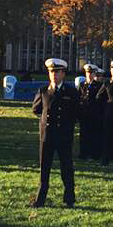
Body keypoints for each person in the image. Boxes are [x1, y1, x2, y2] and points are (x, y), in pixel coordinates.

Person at [31, 58, 79, 208]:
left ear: (63, 73)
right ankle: (40, 199)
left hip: (64, 135)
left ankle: (69, 199)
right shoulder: (44, 90)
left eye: (57, 72)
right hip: (47, 136)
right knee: (44, 169)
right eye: (51, 72)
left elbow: (77, 112)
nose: (54, 75)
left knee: (66, 168)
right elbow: (36, 109)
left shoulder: (71, 91)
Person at [78, 64, 102, 160]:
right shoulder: (82, 85)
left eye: (91, 73)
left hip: (95, 114)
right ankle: (83, 153)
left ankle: (94, 154)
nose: (89, 74)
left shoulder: (99, 85)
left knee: (94, 135)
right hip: (84, 114)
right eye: (88, 72)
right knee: (84, 135)